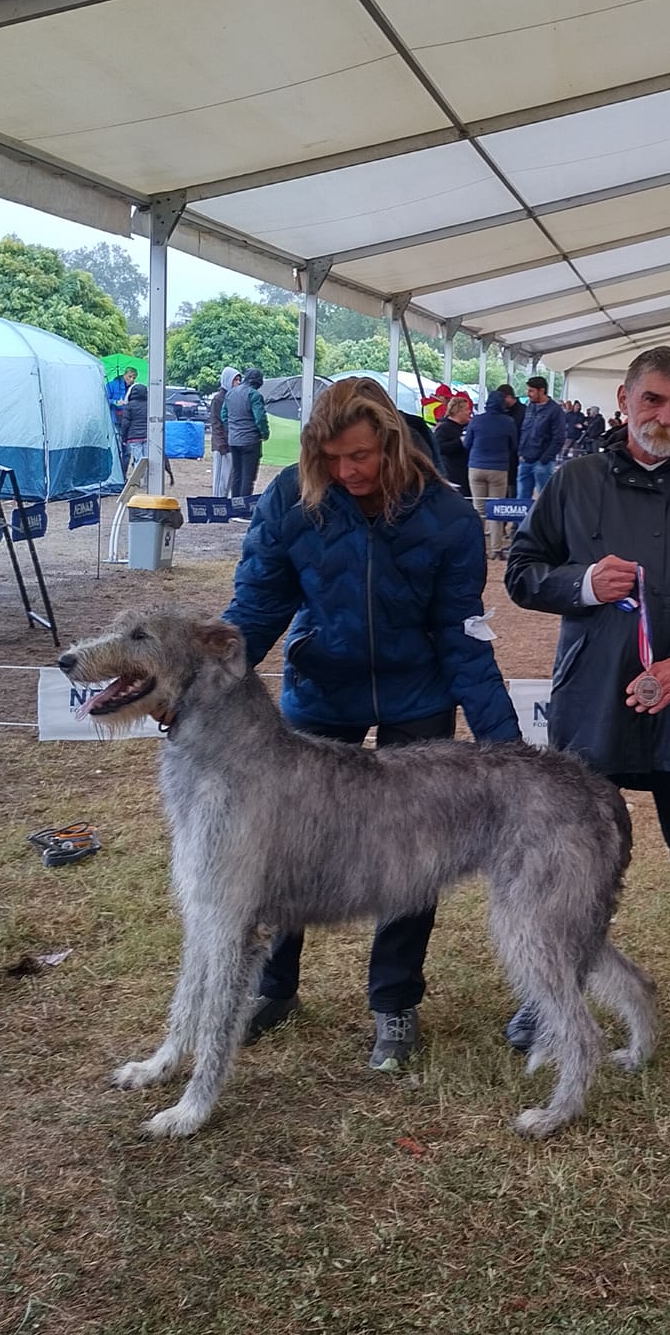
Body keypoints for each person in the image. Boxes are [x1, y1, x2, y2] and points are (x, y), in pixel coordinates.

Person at [223, 377, 520, 1066]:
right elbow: (256, 607)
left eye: (359, 455)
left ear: (390, 441)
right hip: (319, 695)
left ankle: (394, 1001)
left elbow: (462, 637)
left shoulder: (447, 517)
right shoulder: (290, 498)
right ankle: (273, 986)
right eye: (330, 458)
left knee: (414, 857)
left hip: (418, 700)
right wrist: (202, 683)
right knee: (286, 847)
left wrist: (507, 750)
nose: (346, 471)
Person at [506, 345, 670, 1065]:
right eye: (653, 399)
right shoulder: (575, 480)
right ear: (624, 400)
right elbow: (522, 572)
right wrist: (583, 584)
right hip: (593, 699)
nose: (666, 416)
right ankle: (550, 992)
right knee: (572, 863)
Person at [463, 389, 519, 559]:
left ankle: (478, 548)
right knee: (496, 509)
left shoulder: (476, 420)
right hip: (498, 468)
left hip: (476, 467)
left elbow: (467, 444)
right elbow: (514, 445)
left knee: (478, 509)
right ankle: (496, 550)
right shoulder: (508, 422)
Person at [515, 374, 564, 501]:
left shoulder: (555, 410)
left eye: (531, 390)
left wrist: (544, 459)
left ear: (541, 390)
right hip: (525, 460)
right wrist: (520, 453)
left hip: (542, 463)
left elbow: (559, 438)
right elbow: (523, 431)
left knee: (544, 499)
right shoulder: (530, 407)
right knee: (521, 500)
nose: (528, 394)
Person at [223, 368, 269, 501]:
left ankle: (234, 504)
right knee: (248, 477)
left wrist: (233, 429)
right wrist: (264, 433)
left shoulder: (230, 393)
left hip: (234, 440)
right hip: (250, 441)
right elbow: (260, 418)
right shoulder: (254, 395)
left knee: (237, 475)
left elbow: (224, 416)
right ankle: (243, 507)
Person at [434, 392, 473, 495]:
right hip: (453, 474)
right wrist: (459, 442)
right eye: (466, 409)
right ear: (458, 411)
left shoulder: (468, 426)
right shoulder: (444, 428)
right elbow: (439, 448)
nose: (469, 412)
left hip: (465, 473)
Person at [208, 367, 238, 495]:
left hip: (232, 444)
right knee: (220, 481)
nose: (237, 383)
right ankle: (216, 504)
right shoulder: (218, 399)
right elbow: (216, 423)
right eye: (235, 380)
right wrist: (220, 444)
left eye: (239, 380)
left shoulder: (234, 398)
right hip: (222, 446)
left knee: (230, 481)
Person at [120, 382, 151, 470]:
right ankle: (148, 478)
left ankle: (139, 478)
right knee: (148, 460)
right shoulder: (150, 405)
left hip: (133, 437)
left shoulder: (129, 406)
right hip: (147, 436)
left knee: (138, 460)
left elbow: (125, 423)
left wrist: (124, 438)